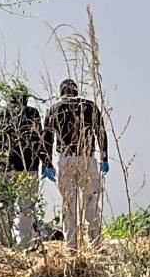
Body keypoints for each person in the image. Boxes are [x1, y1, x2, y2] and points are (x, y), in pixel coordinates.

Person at [43, 79, 109, 250]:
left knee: (69, 204)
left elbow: (47, 139)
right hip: (87, 158)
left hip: (66, 159)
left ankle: (72, 246)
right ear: (76, 91)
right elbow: (100, 132)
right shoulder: (90, 106)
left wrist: (47, 163)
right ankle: (96, 244)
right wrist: (104, 157)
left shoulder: (55, 109)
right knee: (91, 201)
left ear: (61, 91)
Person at [0, 85, 45, 247]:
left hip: (5, 168)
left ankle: (5, 242)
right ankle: (24, 244)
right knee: (26, 208)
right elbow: (39, 140)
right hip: (28, 167)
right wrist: (45, 162)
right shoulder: (32, 113)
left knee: (5, 206)